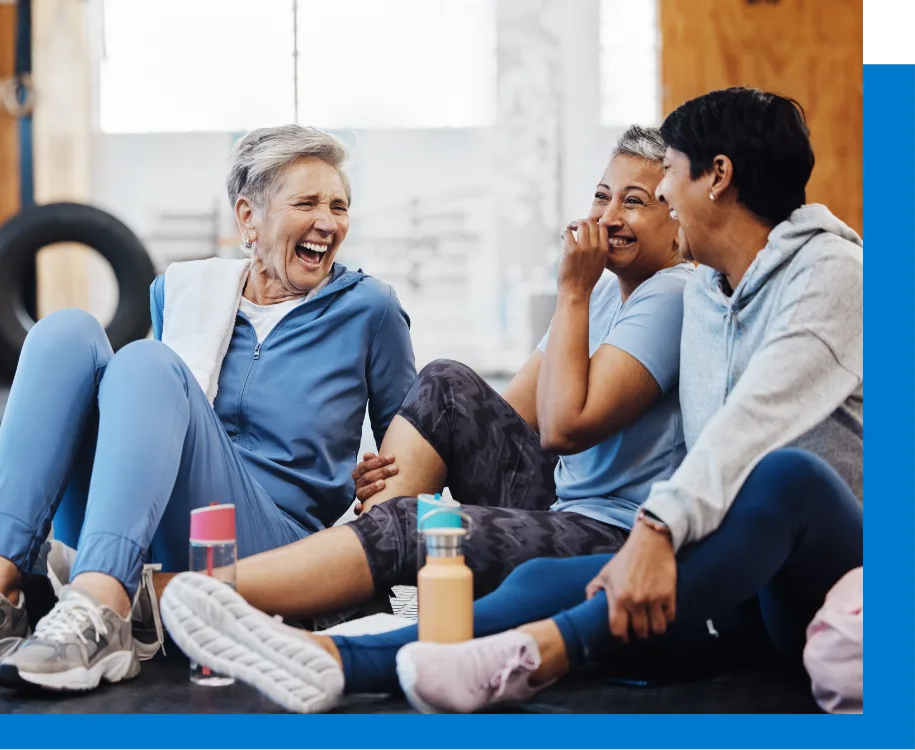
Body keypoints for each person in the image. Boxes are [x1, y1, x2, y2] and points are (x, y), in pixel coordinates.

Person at [158, 87, 864, 715]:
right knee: (457, 419)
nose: (625, 210)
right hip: (703, 546)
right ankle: (342, 637)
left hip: (726, 537)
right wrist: (410, 462)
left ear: (716, 178)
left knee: (779, 477)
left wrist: (654, 530)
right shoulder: (714, 290)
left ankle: (210, 594)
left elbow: (682, 430)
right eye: (604, 194)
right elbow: (510, 415)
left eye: (657, 187)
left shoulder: (792, 276)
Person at [0, 124, 418, 693]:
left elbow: (415, 452)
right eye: (308, 203)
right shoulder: (181, 292)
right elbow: (169, 426)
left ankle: (102, 608)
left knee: (146, 362)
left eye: (339, 206)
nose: (328, 222)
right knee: (65, 331)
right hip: (151, 522)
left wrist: (380, 488)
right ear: (248, 216)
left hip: (275, 544)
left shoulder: (370, 308)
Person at [147, 124, 695, 626]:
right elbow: (504, 418)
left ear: (677, 222)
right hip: (559, 499)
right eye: (602, 197)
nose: (608, 218)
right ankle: (358, 556)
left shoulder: (667, 292)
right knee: (447, 382)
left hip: (616, 527)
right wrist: (394, 467)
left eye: (636, 202)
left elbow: (562, 429)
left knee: (413, 527)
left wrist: (571, 289)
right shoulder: (600, 292)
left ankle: (186, 593)